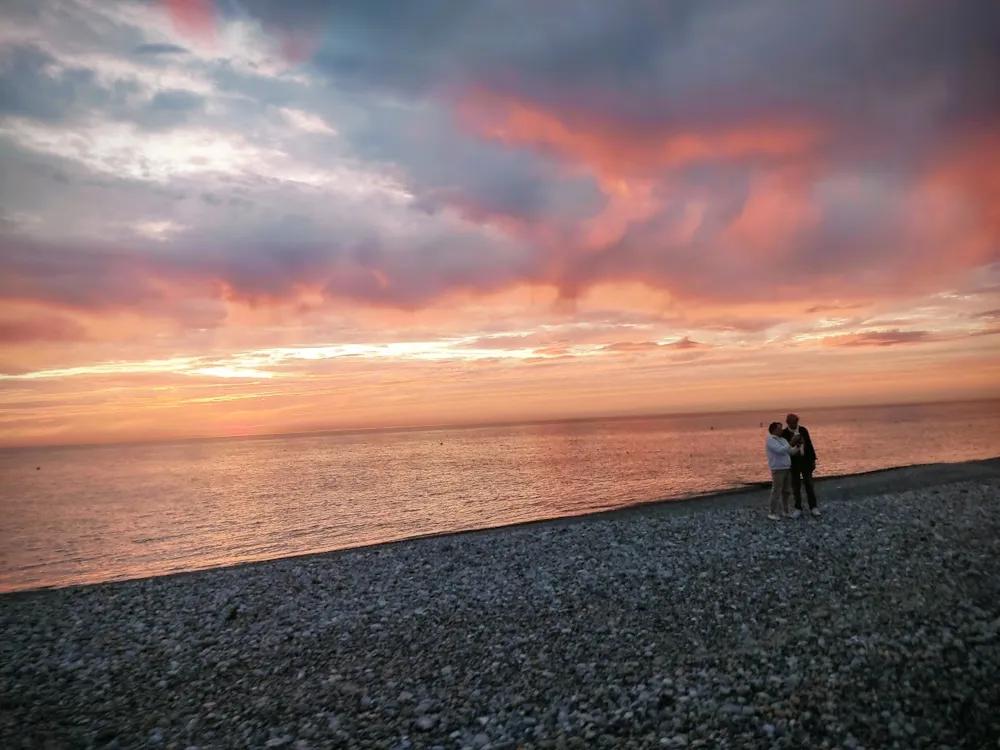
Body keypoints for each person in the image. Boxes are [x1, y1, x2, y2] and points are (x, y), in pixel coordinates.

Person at [782, 413, 819, 517]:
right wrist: (793, 442)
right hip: (793, 463)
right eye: (792, 422)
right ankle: (798, 508)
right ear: (788, 422)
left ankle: (813, 507)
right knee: (795, 486)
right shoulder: (784, 433)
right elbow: (785, 449)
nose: (794, 424)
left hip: (805, 461)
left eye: (796, 422)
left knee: (809, 485)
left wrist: (813, 460)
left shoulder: (803, 430)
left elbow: (810, 445)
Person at [765, 421, 800, 520]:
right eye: (779, 428)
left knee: (786, 491)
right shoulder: (770, 439)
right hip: (778, 469)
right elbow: (779, 450)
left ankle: (786, 511)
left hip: (787, 468)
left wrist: (797, 446)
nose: (781, 430)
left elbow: (791, 452)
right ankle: (772, 512)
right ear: (774, 430)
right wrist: (791, 443)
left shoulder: (783, 440)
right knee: (776, 490)